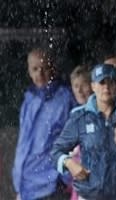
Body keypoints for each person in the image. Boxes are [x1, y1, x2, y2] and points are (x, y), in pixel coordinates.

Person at [51, 63, 116, 200]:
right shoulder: (80, 117)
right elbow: (56, 151)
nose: (106, 87)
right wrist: (68, 162)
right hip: (90, 196)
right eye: (101, 82)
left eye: (110, 82)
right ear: (93, 86)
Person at [12, 48, 75, 200]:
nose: (39, 74)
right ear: (28, 70)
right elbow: (23, 142)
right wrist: (18, 180)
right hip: (25, 184)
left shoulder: (66, 98)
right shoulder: (29, 98)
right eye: (34, 69)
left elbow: (74, 140)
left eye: (44, 68)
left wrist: (63, 176)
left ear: (53, 67)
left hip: (52, 184)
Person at [69, 65, 93, 200]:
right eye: (75, 85)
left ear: (92, 85)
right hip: (79, 181)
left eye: (83, 85)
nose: (79, 90)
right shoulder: (74, 114)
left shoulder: (103, 111)